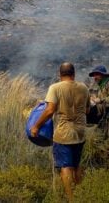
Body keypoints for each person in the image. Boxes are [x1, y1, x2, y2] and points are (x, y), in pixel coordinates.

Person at [30, 62, 90, 201]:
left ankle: (71, 199)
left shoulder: (55, 87)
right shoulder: (84, 88)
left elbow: (50, 110)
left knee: (65, 166)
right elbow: (87, 110)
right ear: (74, 74)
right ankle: (80, 195)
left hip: (64, 133)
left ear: (60, 74)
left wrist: (36, 126)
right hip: (80, 132)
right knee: (76, 165)